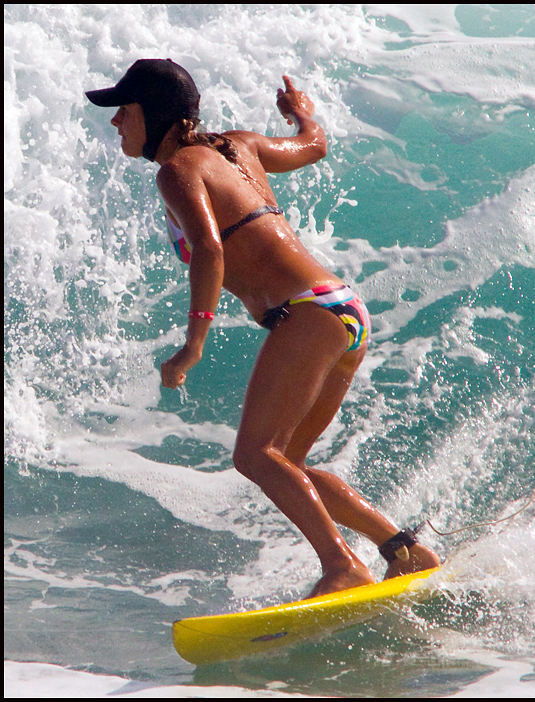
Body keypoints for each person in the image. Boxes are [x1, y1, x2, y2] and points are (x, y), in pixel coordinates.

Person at [86, 59, 440, 597]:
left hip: (309, 314)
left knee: (255, 456)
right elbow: (315, 145)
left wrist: (193, 345)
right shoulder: (238, 146)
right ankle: (405, 550)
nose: (115, 123)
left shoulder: (178, 170)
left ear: (152, 114)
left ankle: (342, 566)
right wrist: (302, 116)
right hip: (342, 308)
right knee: (289, 462)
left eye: (123, 111)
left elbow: (208, 248)